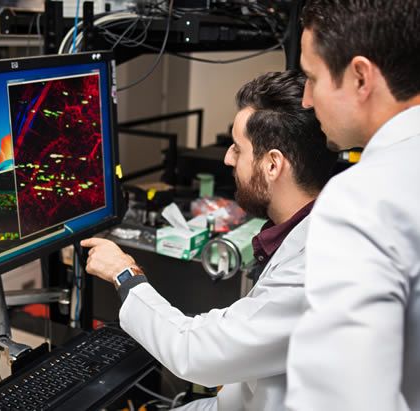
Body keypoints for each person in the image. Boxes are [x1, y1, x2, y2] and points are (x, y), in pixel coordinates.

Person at [81, 70, 337, 410]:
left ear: (273, 165)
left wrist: (124, 273)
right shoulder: (313, 227)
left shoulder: (311, 269)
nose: (228, 158)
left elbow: (195, 352)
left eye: (238, 148)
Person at [285, 1, 420, 411]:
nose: (306, 100)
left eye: (311, 78)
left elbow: (341, 400)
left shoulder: (361, 200)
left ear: (361, 76)